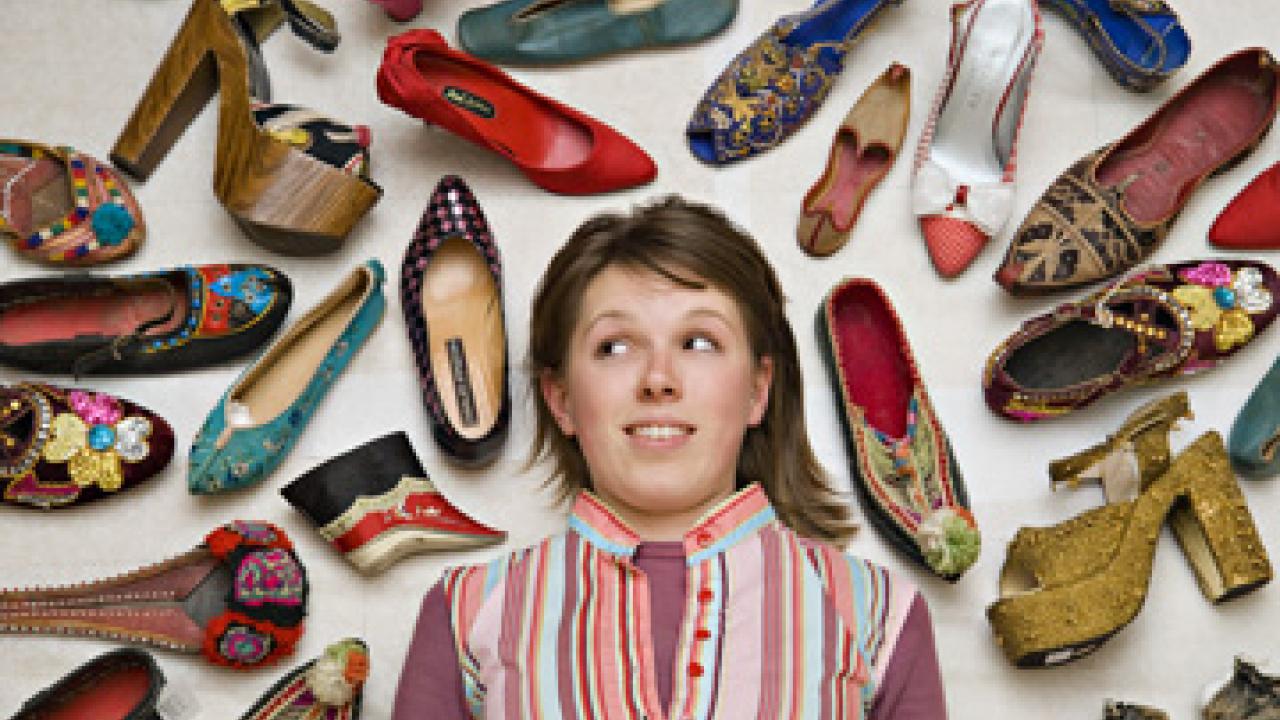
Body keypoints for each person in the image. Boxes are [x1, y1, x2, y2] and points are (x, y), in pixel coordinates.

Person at [392, 196, 948, 719]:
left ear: (759, 389)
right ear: (560, 400)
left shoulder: (879, 614)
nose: (658, 380)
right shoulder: (466, 611)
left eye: (699, 342)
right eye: (614, 347)